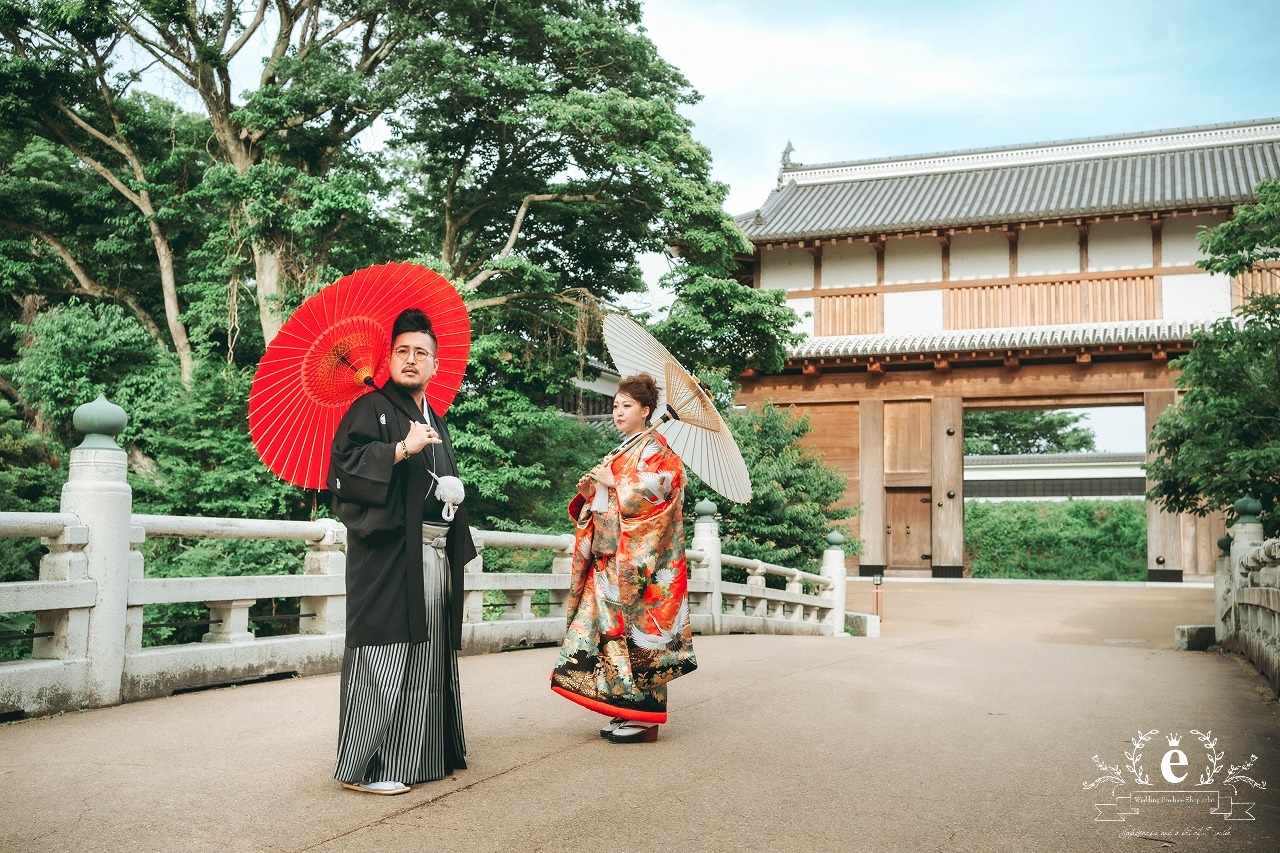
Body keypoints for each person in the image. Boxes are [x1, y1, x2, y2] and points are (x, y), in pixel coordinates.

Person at [326, 307, 476, 794]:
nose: (412, 360)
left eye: (422, 353)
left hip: (432, 552)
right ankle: (363, 768)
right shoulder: (370, 409)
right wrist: (398, 450)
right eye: (403, 351)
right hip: (389, 556)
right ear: (388, 359)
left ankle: (418, 757)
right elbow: (344, 469)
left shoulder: (435, 419)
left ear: (436, 365)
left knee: (425, 655)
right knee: (384, 651)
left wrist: (452, 493)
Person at [550, 372, 696, 743]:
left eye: (626, 406)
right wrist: (591, 495)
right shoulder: (624, 450)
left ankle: (646, 717)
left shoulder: (658, 450)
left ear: (647, 410)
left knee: (643, 636)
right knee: (610, 637)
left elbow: (667, 487)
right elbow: (606, 508)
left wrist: (617, 484)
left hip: (642, 564)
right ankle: (622, 705)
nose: (617, 412)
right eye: (615, 405)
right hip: (611, 559)